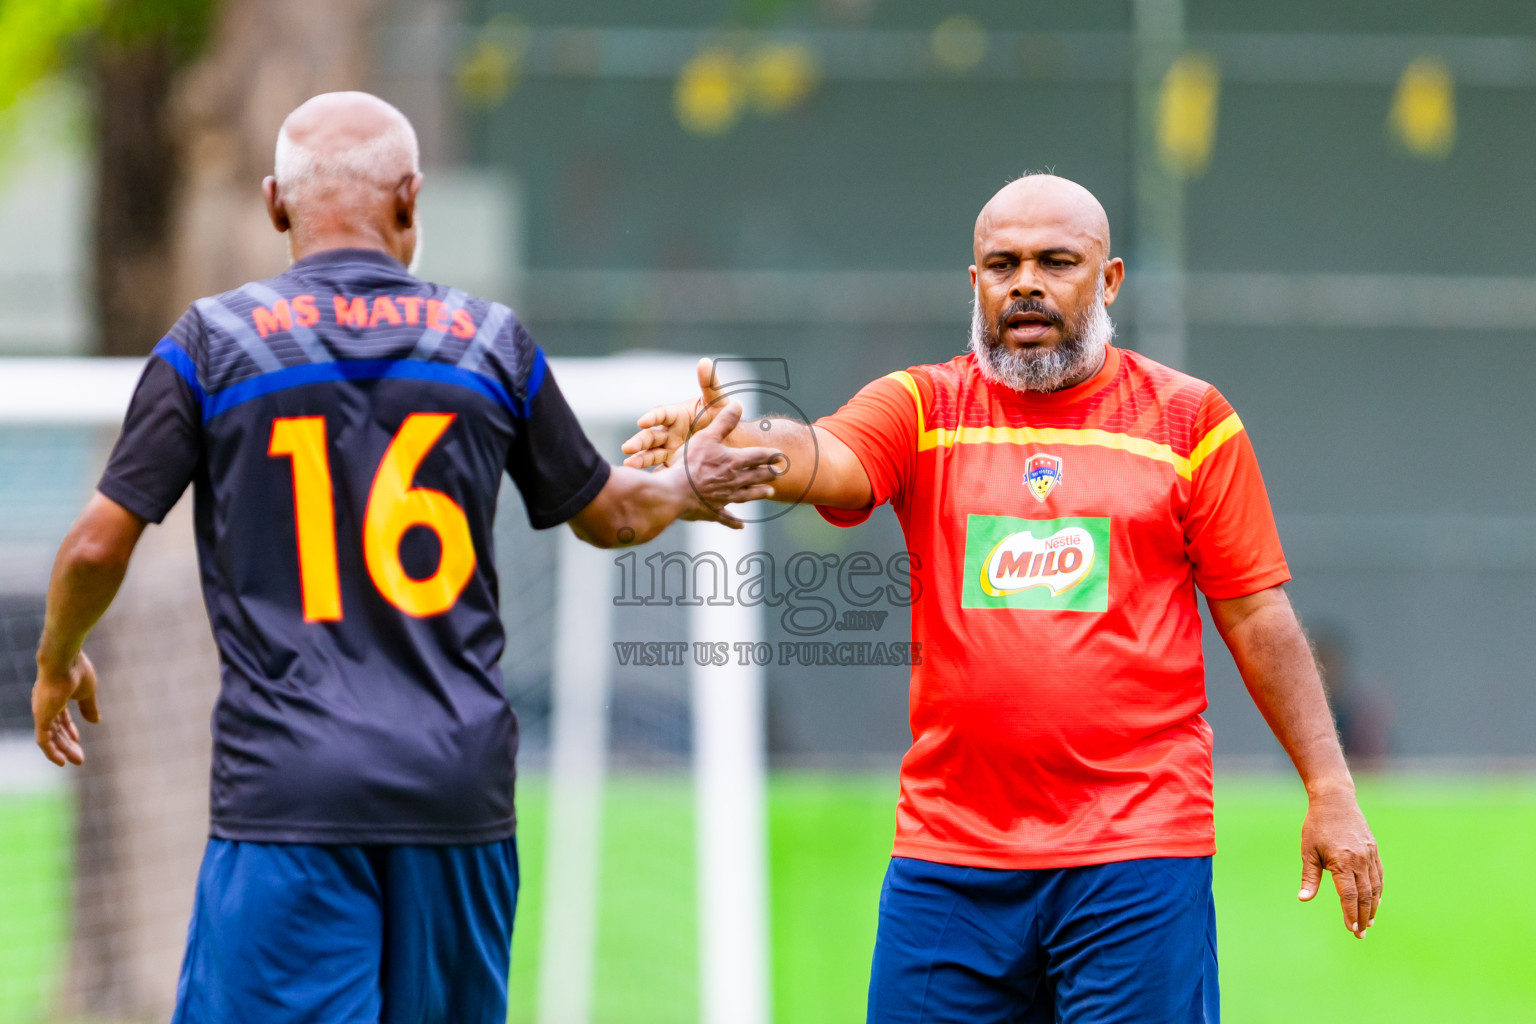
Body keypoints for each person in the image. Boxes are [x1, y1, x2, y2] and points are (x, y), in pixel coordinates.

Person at [31, 91, 777, 1024]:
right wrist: (688, 485)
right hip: (455, 794)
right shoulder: (491, 343)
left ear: (274, 204)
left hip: (288, 797)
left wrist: (59, 655)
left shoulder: (210, 346)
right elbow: (610, 517)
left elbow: (97, 543)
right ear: (410, 201)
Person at [622, 174, 1384, 1023]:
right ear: (974, 282)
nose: (1026, 282)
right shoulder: (922, 406)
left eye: (1056, 261)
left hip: (1134, 852)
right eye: (1002, 263)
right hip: (951, 856)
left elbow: (1257, 614)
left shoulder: (1191, 422)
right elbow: (822, 453)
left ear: (1110, 280)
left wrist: (1330, 786)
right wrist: (737, 441)